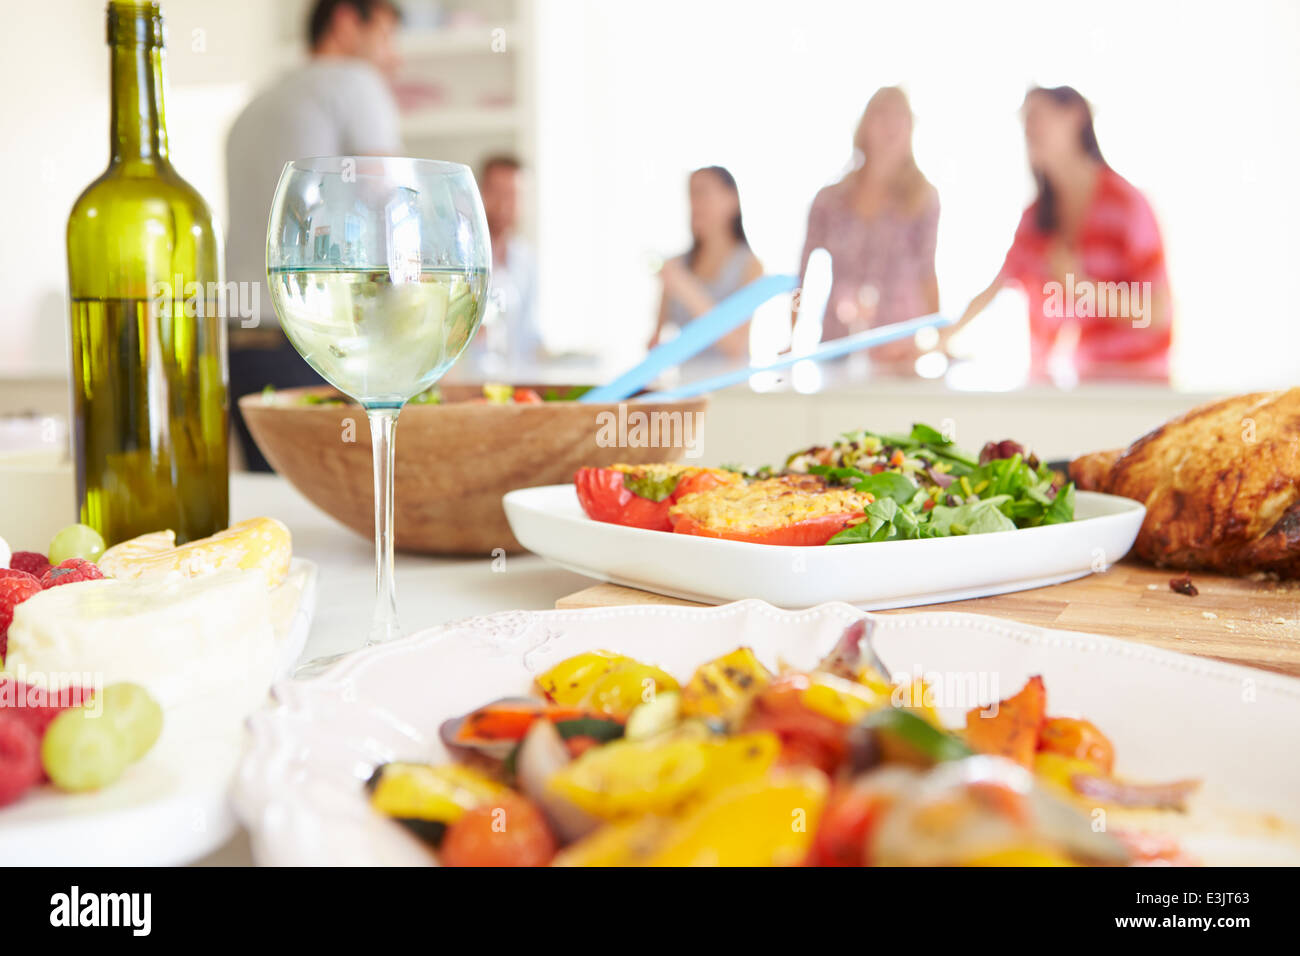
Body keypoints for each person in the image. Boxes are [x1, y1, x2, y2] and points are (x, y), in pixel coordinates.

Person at [224, 0, 403, 471]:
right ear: (346, 21)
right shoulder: (354, 82)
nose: (394, 56)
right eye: (386, 35)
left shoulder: (254, 106)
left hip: (238, 340)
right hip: (313, 341)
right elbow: (391, 204)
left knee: (272, 505)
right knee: (342, 500)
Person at [944, 86, 1173, 381]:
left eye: (1038, 116)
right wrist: (939, 340)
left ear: (1076, 116)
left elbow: (1157, 313)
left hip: (1135, 388)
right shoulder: (1036, 219)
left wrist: (1082, 288)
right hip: (1076, 386)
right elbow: (995, 288)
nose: (1029, 128)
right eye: (1025, 119)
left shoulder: (1127, 206)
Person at [796, 87, 940, 367]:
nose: (891, 125)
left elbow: (928, 273)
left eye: (900, 116)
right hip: (838, 343)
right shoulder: (830, 200)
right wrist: (790, 334)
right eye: (882, 115)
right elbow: (801, 276)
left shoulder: (923, 198)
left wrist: (940, 341)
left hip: (899, 347)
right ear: (864, 125)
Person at [651, 166, 764, 360]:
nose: (695, 203)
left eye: (702, 193)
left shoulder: (751, 266)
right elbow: (655, 343)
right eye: (691, 194)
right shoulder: (675, 266)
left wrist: (686, 288)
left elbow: (736, 346)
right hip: (683, 384)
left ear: (731, 200)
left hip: (730, 388)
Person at [472, 154, 540, 372]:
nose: (503, 205)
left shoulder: (527, 260)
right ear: (480, 193)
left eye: (512, 195)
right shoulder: (458, 258)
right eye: (496, 193)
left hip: (513, 381)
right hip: (466, 383)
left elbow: (528, 334)